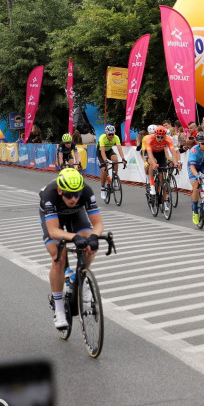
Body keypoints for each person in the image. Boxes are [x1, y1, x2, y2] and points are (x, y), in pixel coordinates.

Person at [39, 168, 103, 330]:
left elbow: (98, 224)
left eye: (77, 194)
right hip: (54, 218)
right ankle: (59, 308)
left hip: (76, 214)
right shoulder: (50, 195)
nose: (73, 198)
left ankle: (79, 277)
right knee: (58, 258)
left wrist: (94, 237)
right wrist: (74, 237)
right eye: (68, 195)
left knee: (89, 245)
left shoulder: (86, 192)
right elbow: (53, 231)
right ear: (60, 191)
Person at [143, 125, 181, 195]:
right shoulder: (149, 138)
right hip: (151, 152)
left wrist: (176, 163)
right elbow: (150, 154)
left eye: (162, 137)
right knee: (153, 162)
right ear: (155, 135)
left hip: (160, 153)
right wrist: (154, 164)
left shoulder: (168, 139)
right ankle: (151, 185)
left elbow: (173, 152)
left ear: (165, 136)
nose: (160, 139)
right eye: (158, 137)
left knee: (163, 179)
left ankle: (164, 201)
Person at [97, 125, 125, 197]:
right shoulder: (102, 138)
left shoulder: (116, 137)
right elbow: (102, 152)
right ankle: (102, 188)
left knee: (115, 159)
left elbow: (119, 149)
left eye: (113, 134)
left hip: (109, 151)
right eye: (110, 134)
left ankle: (115, 177)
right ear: (106, 133)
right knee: (104, 170)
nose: (111, 136)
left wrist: (123, 158)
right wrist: (105, 161)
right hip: (100, 153)